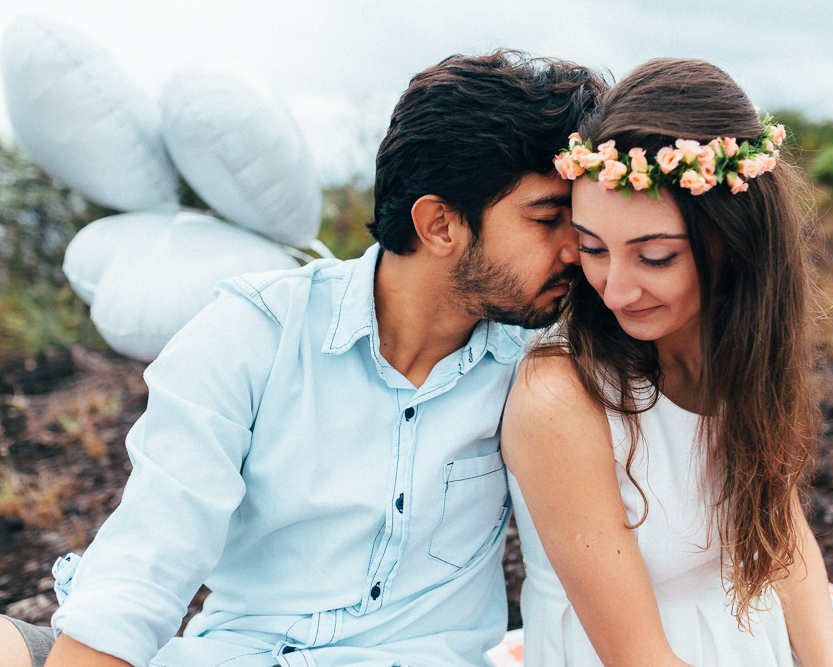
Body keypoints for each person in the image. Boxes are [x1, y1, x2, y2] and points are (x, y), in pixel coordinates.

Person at [0, 50, 605, 667]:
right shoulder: (252, 332)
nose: (575, 251)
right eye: (549, 219)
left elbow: (574, 572)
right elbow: (149, 552)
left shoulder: (538, 374)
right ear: (439, 224)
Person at [501, 58, 833, 667]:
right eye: (594, 249)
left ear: (732, 241)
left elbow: (783, 537)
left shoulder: (734, 351)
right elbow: (639, 658)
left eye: (654, 256)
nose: (616, 289)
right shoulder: (560, 396)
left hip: (751, 632)